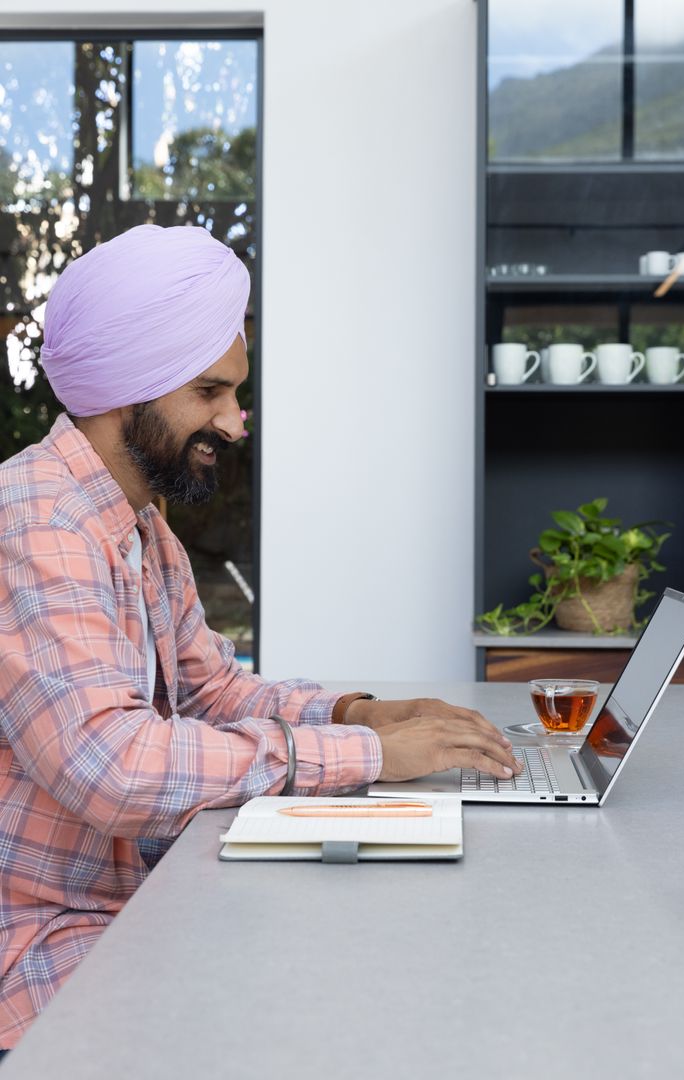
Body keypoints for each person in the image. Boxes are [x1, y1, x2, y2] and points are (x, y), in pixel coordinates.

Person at [0, 224, 520, 1050]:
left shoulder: (136, 528)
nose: (236, 424)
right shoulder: (36, 522)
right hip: (45, 952)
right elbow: (113, 764)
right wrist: (370, 758)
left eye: (233, 394)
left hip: (134, 903)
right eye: (210, 392)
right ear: (130, 385)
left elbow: (214, 692)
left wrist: (360, 714)